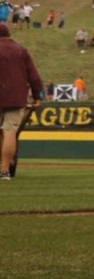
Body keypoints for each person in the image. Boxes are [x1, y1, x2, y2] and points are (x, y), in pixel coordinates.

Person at [0, 23, 44, 180]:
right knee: (10, 131)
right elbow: (34, 75)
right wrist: (38, 96)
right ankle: (5, 170)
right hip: (16, 98)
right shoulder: (20, 50)